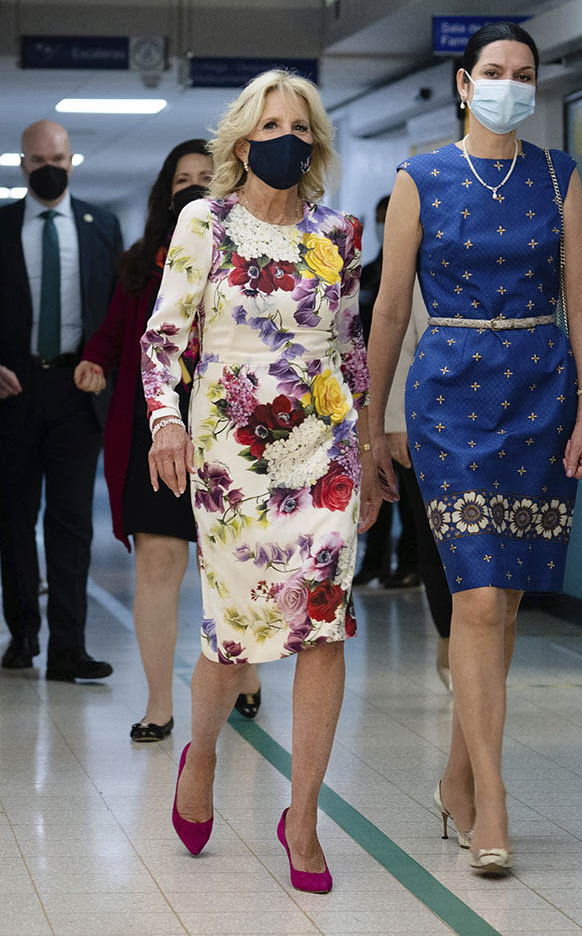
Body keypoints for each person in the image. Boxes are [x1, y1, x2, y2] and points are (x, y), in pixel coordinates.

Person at [367, 22, 582, 874]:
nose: (509, 83)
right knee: (473, 596)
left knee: (504, 602)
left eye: (524, 73)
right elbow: (389, 311)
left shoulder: (558, 176)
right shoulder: (419, 176)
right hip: (449, 395)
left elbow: (579, 294)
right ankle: (493, 802)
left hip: (540, 392)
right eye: (494, 71)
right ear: (464, 83)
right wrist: (368, 427)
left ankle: (458, 776)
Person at [140, 69, 379, 891]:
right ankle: (199, 752)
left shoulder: (339, 234)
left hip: (323, 444)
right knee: (231, 630)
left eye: (301, 125)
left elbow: (350, 350)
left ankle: (302, 818)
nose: (287, 137)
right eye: (271, 123)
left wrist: (368, 445)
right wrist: (164, 419)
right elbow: (163, 335)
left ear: (313, 142)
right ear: (242, 140)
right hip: (230, 448)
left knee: (323, 623)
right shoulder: (203, 221)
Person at [75, 140, 260, 738]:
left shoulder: (250, 254)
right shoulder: (138, 262)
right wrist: (95, 360)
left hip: (230, 429)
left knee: (229, 563)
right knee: (160, 559)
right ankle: (160, 703)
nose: (194, 187)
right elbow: (112, 331)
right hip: (153, 429)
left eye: (206, 178)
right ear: (165, 191)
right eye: (182, 178)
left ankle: (244, 670)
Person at [0, 120, 122, 680]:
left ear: (72, 160)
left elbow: (116, 312)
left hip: (79, 390)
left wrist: (105, 365)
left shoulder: (102, 227)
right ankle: (23, 633)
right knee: (15, 518)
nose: (50, 166)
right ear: (23, 164)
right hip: (13, 389)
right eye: (38, 158)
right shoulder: (2, 225)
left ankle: (68, 647)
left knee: (72, 523)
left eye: (59, 157)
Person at [385, 281, 453, 689]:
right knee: (433, 539)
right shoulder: (419, 255)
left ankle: (473, 644)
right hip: (422, 421)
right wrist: (394, 423)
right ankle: (447, 638)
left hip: (488, 417)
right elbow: (399, 338)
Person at [354, 195, 419, 589]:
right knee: (372, 480)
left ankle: (407, 564)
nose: (382, 226)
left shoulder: (414, 272)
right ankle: (374, 562)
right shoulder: (369, 271)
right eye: (377, 220)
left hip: (403, 394)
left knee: (408, 496)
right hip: (364, 390)